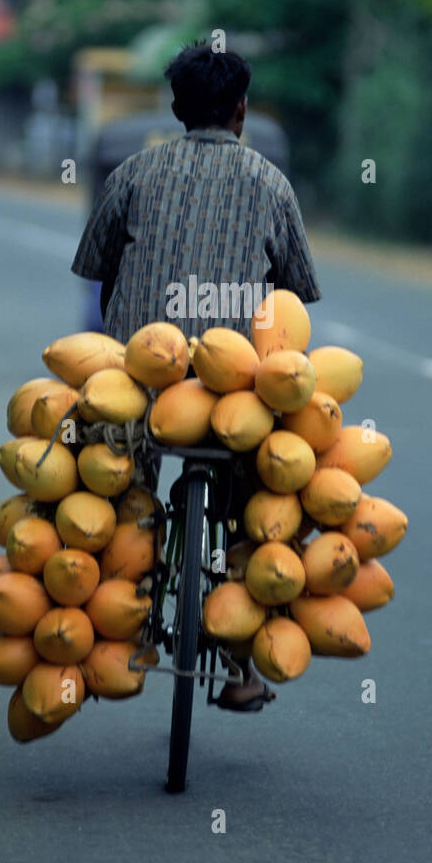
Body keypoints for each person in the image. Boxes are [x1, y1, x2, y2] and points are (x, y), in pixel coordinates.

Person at [71, 42, 321, 710]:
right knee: (260, 522)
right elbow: (297, 295)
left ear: (177, 108)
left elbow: (96, 266)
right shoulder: (272, 184)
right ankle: (242, 669)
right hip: (240, 393)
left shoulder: (133, 172)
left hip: (139, 385)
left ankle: (120, 634)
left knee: (117, 501)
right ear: (241, 110)